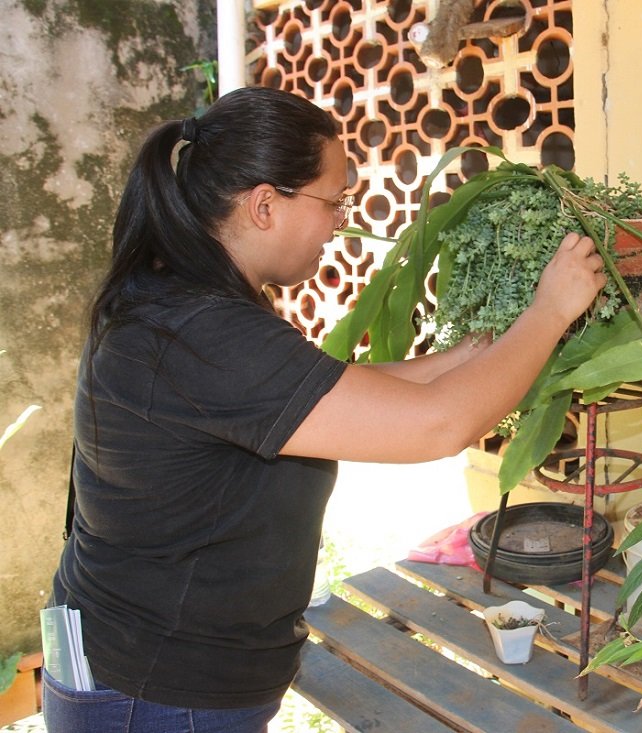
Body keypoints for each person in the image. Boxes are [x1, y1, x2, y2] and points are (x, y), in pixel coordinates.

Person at [45, 86, 605, 732]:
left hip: (155, 672)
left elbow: (335, 390)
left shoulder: (180, 292)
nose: (342, 219)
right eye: (332, 201)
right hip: (158, 691)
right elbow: (438, 424)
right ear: (263, 205)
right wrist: (549, 311)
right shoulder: (199, 331)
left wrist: (479, 349)